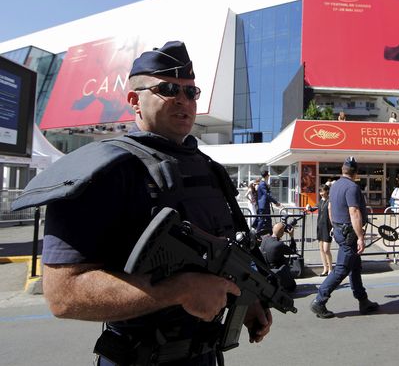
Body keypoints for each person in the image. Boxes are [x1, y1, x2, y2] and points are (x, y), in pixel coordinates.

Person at [23, 41, 271, 365]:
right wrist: (179, 290)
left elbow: (223, 257)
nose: (183, 100)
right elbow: (63, 295)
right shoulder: (106, 170)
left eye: (191, 92)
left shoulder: (210, 170)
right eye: (168, 89)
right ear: (133, 101)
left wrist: (245, 298)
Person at [310, 156, 379, 319]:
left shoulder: (334, 186)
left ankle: (363, 301)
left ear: (343, 170)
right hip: (349, 233)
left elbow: (330, 208)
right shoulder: (352, 187)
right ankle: (319, 300)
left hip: (341, 229)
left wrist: (335, 226)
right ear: (356, 172)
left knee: (355, 266)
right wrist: (361, 237)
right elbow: (354, 212)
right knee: (341, 268)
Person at [260, 222, 297, 292]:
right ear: (282, 233)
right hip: (277, 272)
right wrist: (291, 236)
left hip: (266, 269)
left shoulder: (264, 239)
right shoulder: (279, 244)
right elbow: (293, 251)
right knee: (293, 287)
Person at [308, 184, 333, 276]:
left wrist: (333, 226)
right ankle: (325, 268)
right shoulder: (321, 201)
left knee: (326, 249)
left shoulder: (330, 201)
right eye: (320, 191)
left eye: (323, 191)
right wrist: (308, 207)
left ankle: (330, 268)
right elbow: (313, 208)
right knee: (321, 249)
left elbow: (332, 214)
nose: (321, 193)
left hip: (328, 227)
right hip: (320, 226)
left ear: (327, 191)